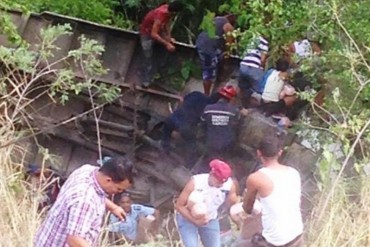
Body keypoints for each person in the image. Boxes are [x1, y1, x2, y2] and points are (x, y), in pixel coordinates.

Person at [34, 156, 134, 247]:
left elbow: (97, 194)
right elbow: (74, 239)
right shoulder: (85, 201)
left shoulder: (87, 170)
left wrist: (113, 207)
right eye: (118, 189)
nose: (118, 193)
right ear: (108, 180)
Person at [242, 135, 303, 247]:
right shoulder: (294, 172)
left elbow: (247, 208)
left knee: (243, 240)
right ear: (279, 152)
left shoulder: (256, 178)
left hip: (276, 241)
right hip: (297, 234)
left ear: (259, 153)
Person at [175, 159, 238, 247]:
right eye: (218, 181)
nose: (220, 185)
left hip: (210, 219)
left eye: (223, 182)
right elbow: (179, 206)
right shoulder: (195, 182)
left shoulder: (229, 186)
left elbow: (233, 204)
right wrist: (195, 221)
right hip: (188, 218)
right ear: (211, 174)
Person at [161, 91, 220, 157]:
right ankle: (189, 163)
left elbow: (182, 100)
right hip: (184, 126)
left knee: (166, 136)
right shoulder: (209, 108)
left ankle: (164, 152)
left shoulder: (196, 93)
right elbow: (203, 123)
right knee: (191, 143)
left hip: (171, 119)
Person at [139, 1, 183, 87]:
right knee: (148, 57)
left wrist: (169, 38)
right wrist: (167, 44)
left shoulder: (168, 11)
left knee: (164, 53)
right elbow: (153, 34)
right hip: (147, 33)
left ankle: (159, 76)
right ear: (174, 12)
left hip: (158, 31)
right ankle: (145, 81)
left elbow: (166, 25)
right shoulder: (161, 14)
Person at [196, 14, 236, 95]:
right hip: (208, 48)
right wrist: (229, 52)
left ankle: (218, 77)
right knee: (209, 71)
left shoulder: (215, 19)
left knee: (217, 58)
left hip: (200, 42)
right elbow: (230, 44)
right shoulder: (228, 26)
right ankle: (206, 95)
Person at [201, 85, 240, 161]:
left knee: (210, 163)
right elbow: (236, 127)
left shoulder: (208, 109)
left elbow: (202, 125)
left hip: (211, 143)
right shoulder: (234, 111)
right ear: (231, 99)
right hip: (226, 145)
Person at [238, 36, 269, 107]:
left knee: (243, 86)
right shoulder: (264, 42)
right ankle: (263, 106)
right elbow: (262, 59)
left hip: (244, 65)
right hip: (254, 67)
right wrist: (262, 67)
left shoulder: (251, 39)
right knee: (260, 87)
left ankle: (244, 105)